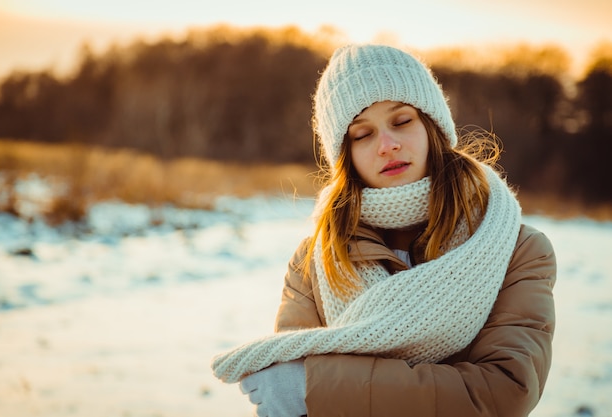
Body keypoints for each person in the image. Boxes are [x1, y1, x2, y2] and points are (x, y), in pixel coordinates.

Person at [211, 44, 556, 417]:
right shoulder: (314, 263)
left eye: (402, 121)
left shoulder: (515, 248)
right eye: (362, 134)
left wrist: (316, 388)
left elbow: (504, 392)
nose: (387, 145)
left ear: (432, 127)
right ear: (347, 156)